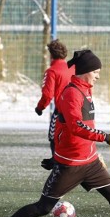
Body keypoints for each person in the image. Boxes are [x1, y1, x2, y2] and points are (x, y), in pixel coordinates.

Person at [0, 49, 110, 217]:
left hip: (91, 162)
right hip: (71, 166)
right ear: (85, 71)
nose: (98, 76)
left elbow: (70, 126)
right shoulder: (71, 93)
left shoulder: (86, 90)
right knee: (43, 207)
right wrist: (105, 137)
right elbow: (75, 126)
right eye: (96, 71)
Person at [34, 39, 74, 170]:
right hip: (77, 109)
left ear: (51, 54)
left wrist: (40, 108)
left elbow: (47, 94)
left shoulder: (52, 71)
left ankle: (58, 164)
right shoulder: (73, 68)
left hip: (62, 111)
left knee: (53, 136)